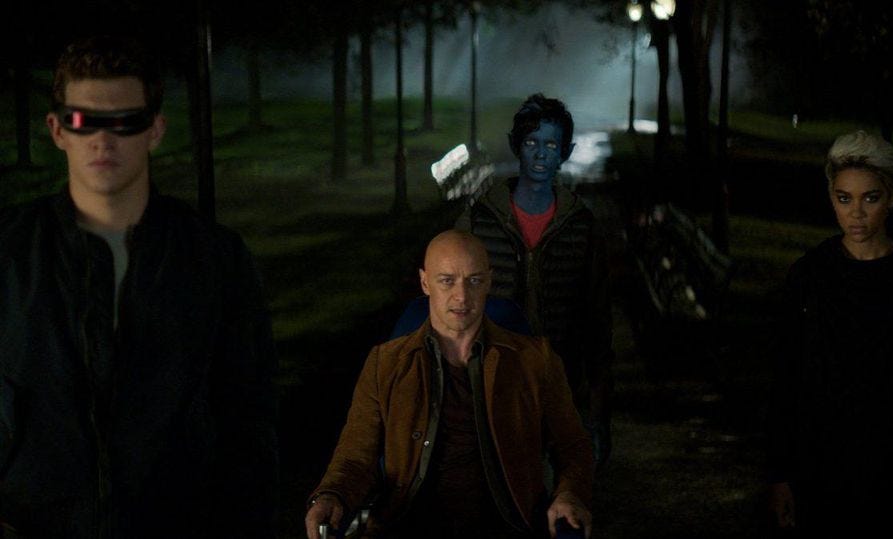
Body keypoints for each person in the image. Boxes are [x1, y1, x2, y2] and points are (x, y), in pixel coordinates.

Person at [0, 36, 277, 538]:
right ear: (58, 129)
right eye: (84, 120)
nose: (103, 140)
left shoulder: (215, 259)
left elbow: (249, 419)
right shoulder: (10, 255)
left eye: (125, 121)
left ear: (155, 130)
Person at [305, 230, 593, 538]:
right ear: (425, 282)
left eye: (474, 280)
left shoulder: (535, 360)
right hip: (407, 526)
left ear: (489, 281)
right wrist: (331, 495)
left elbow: (573, 446)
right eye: (447, 281)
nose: (462, 296)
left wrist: (570, 493)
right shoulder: (385, 364)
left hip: (506, 525)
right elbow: (355, 456)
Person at [766, 130, 893, 537]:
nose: (856, 213)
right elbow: (787, 378)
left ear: (891, 197)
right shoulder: (809, 276)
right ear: (831, 197)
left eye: (870, 198)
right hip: (822, 470)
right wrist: (780, 474)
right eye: (844, 198)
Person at [456, 93, 613, 467]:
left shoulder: (582, 227)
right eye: (531, 143)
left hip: (561, 385)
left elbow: (597, 321)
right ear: (516, 146)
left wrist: (598, 411)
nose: (541, 154)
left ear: (565, 152)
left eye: (551, 145)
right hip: (491, 388)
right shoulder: (478, 222)